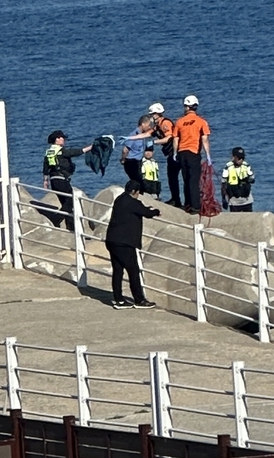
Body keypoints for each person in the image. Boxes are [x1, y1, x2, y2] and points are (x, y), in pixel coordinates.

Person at [104, 180, 161, 309]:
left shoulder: (120, 199)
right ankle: (139, 300)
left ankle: (119, 299)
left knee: (118, 270)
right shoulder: (133, 202)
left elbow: (139, 210)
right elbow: (146, 213)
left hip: (112, 240)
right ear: (135, 192)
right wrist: (156, 211)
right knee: (133, 270)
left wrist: (146, 209)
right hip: (124, 243)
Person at [43, 130, 93, 231]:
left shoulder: (49, 152)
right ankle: (56, 219)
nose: (63, 140)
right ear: (56, 139)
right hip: (62, 180)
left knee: (66, 204)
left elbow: (45, 167)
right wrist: (91, 147)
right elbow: (76, 152)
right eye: (61, 138)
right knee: (71, 202)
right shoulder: (62, 151)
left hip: (54, 180)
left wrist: (45, 180)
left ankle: (70, 226)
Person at [172, 95, 211, 215]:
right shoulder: (201, 122)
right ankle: (196, 206)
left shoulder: (179, 122)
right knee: (194, 180)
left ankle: (188, 204)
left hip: (182, 153)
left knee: (186, 179)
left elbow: (175, 140)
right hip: (194, 153)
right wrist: (208, 155)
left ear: (187, 107)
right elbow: (204, 139)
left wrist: (174, 153)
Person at [148, 103, 180, 207]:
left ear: (157, 114)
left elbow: (169, 137)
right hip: (171, 153)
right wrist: (132, 138)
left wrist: (154, 142)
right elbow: (149, 133)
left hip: (176, 152)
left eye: (152, 114)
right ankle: (175, 198)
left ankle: (177, 200)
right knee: (171, 177)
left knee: (173, 176)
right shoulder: (157, 126)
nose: (151, 117)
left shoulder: (165, 123)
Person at [119, 115, 154, 183]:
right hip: (131, 162)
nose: (150, 127)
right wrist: (123, 160)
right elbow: (125, 149)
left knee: (141, 181)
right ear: (143, 124)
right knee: (137, 181)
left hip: (139, 162)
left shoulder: (143, 135)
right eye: (149, 125)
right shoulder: (134, 134)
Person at [220, 147, 255, 212]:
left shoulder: (246, 165)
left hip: (247, 200)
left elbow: (252, 179)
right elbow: (223, 184)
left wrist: (247, 180)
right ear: (233, 157)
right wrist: (223, 199)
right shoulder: (228, 167)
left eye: (242, 158)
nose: (241, 160)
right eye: (239, 158)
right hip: (234, 202)